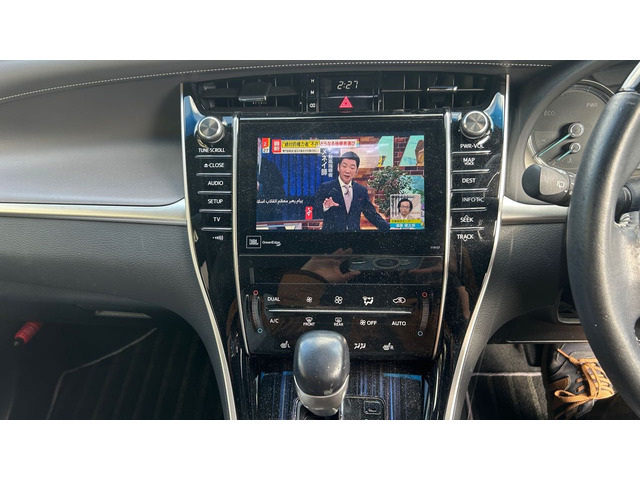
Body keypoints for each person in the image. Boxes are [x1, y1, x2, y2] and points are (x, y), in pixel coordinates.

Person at [314, 152, 389, 231]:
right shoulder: (326, 187)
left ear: (356, 171)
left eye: (352, 167)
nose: (348, 171)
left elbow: (372, 214)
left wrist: (390, 228)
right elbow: (316, 212)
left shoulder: (361, 190)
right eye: (344, 166)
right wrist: (325, 207)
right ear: (338, 167)